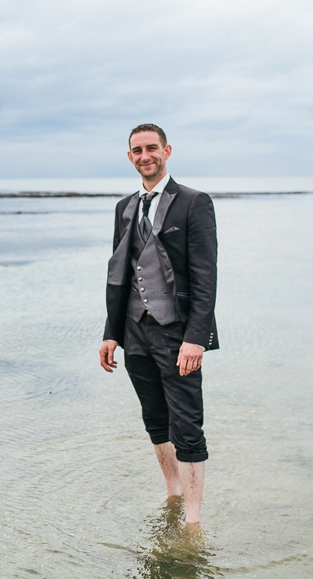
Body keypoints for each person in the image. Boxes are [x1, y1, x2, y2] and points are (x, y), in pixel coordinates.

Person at [99, 124, 219, 524]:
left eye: (152, 148)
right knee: (154, 418)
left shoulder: (193, 202)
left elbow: (205, 276)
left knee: (186, 422)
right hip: (134, 330)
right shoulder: (124, 207)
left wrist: (196, 339)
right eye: (137, 150)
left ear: (167, 151)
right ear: (129, 156)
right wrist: (111, 333)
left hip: (177, 331)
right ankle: (173, 492)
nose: (145, 155)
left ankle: (194, 520)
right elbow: (120, 272)